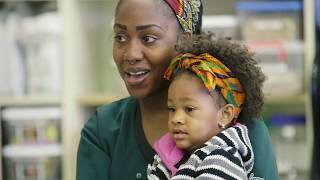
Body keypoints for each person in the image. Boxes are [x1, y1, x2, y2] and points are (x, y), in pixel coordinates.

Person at [76, 0, 279, 179]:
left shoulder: (243, 125)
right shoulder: (103, 129)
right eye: (120, 37)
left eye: (148, 38)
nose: (130, 54)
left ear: (185, 40)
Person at [147, 33, 264, 179]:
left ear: (225, 115)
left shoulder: (221, 160)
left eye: (189, 109)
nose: (176, 118)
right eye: (172, 109)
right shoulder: (166, 158)